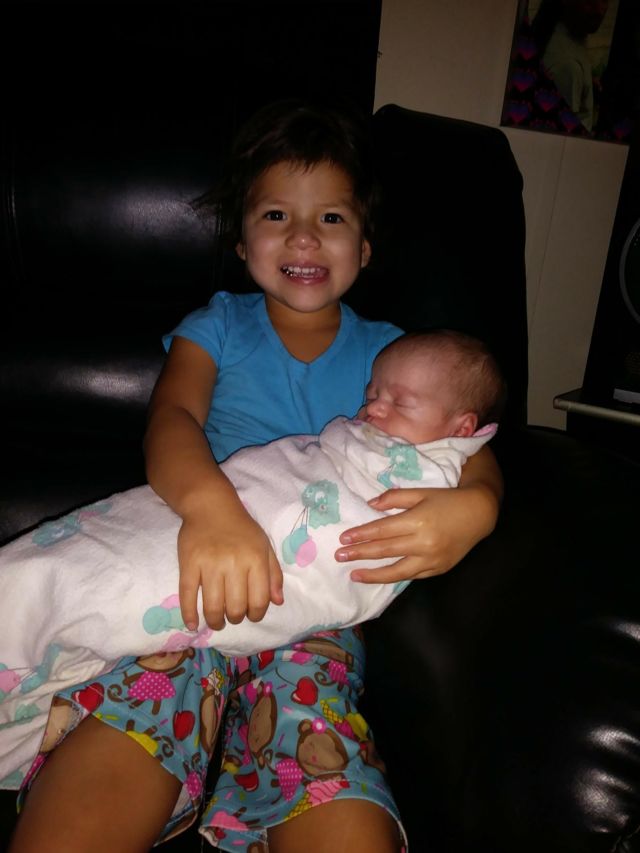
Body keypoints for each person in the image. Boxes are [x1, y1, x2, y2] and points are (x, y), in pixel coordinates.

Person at [10, 98, 503, 853]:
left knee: (315, 733)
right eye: (276, 215)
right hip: (201, 568)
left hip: (316, 612)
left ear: (366, 246)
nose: (304, 236)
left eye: (331, 217)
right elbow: (171, 420)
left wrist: (478, 508)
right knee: (145, 699)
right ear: (242, 243)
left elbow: (468, 439)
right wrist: (214, 513)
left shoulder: (399, 354)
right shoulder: (219, 324)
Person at [532, 0, 609, 132]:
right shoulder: (568, 65)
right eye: (590, 1)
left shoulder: (564, 35)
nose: (600, 9)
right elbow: (564, 134)